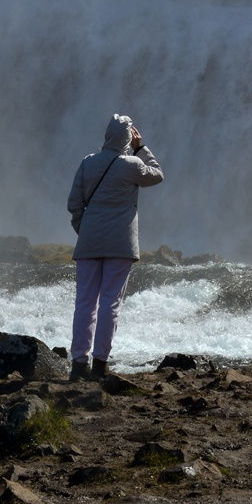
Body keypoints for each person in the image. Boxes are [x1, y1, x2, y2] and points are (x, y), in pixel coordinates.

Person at [67, 113, 163, 378]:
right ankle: (100, 364)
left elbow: (74, 203)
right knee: (110, 303)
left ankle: (78, 364)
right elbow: (157, 175)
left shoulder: (87, 163)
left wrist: (83, 230)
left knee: (85, 302)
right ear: (127, 137)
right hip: (120, 244)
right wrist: (140, 147)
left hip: (89, 243)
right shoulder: (132, 164)